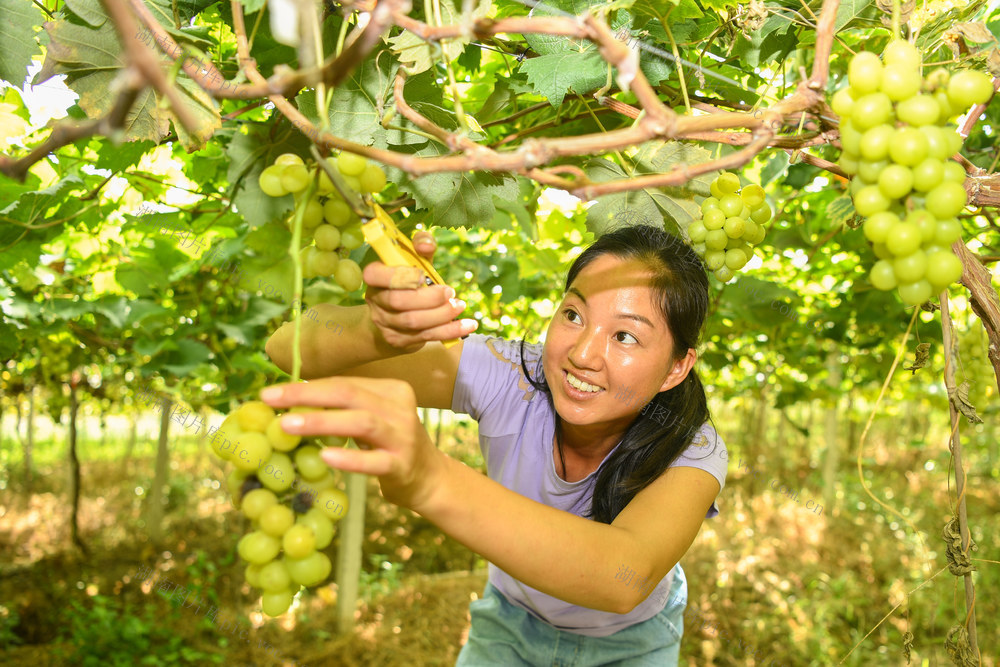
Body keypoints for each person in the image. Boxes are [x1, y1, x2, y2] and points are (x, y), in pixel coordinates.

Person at [261, 223, 728, 666]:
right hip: (509, 621)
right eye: (573, 315)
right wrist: (375, 333)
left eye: (624, 336)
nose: (583, 354)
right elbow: (286, 348)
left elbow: (625, 576)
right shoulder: (511, 376)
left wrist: (431, 479)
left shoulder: (692, 445)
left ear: (676, 368)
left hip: (634, 642)